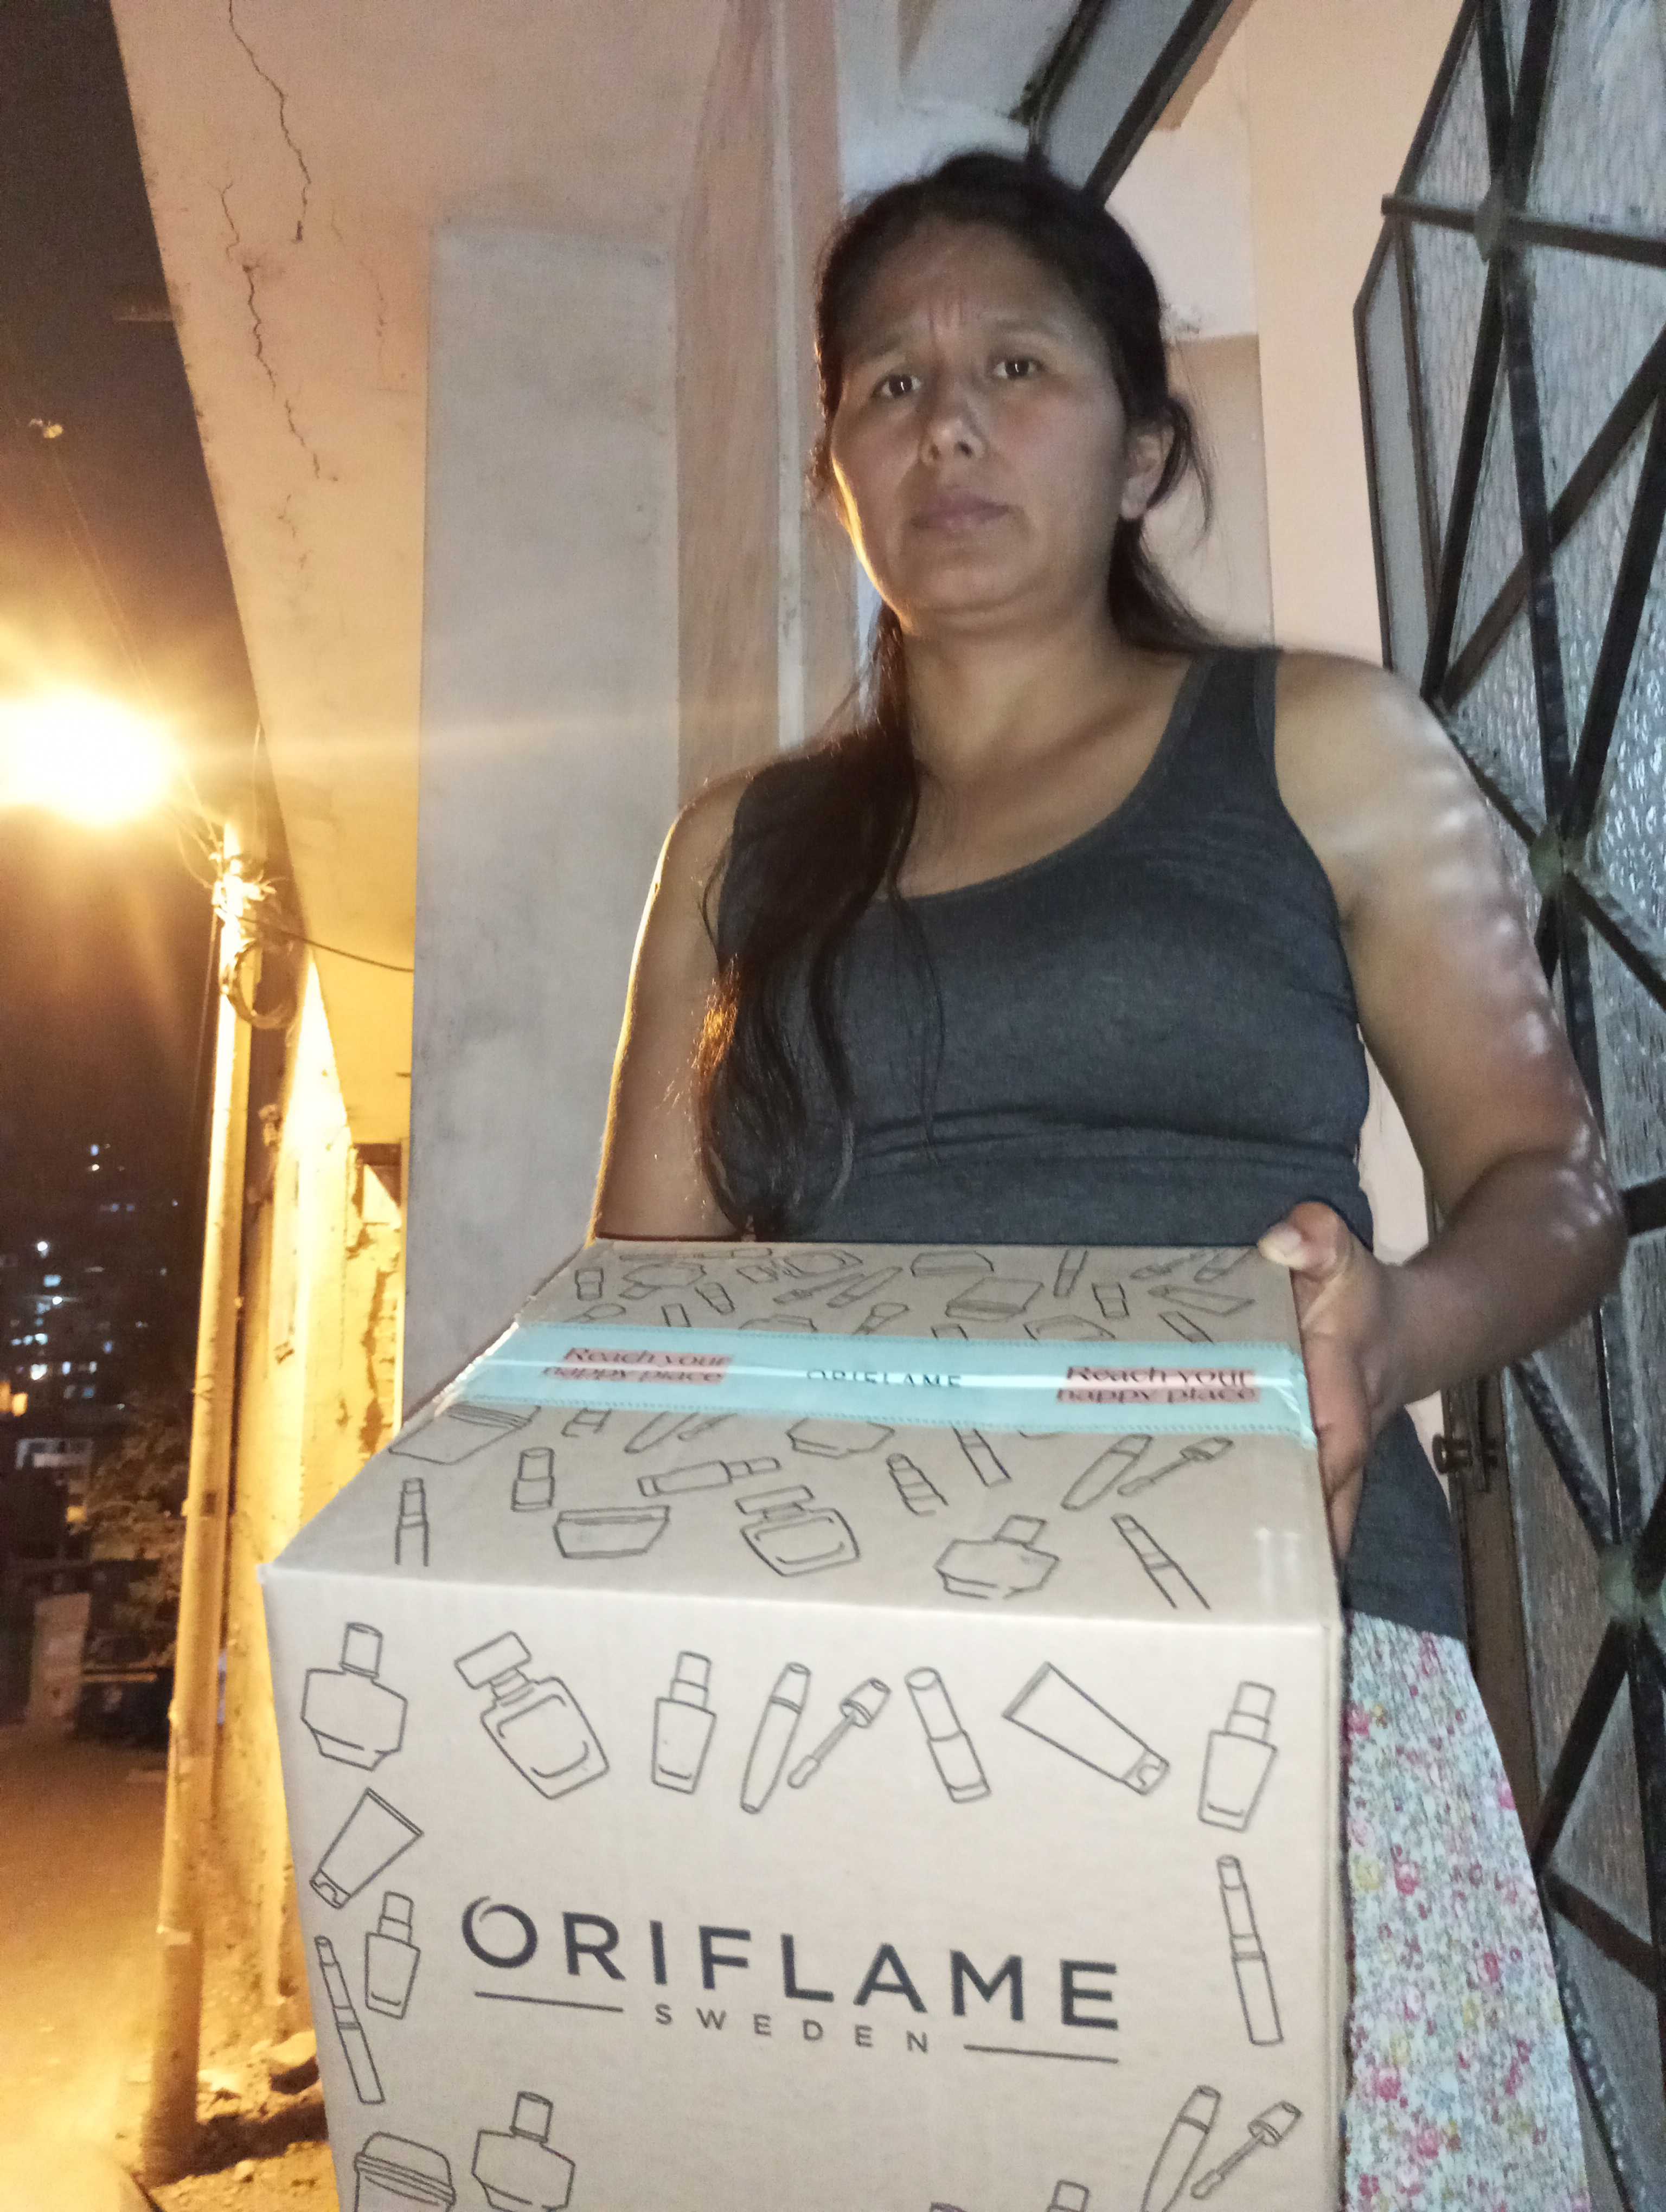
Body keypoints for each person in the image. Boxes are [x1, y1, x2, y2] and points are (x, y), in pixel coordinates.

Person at [591, 150, 1620, 2207]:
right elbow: (636, 1315)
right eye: (890, 386)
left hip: (1279, 1655)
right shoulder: (734, 852)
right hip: (842, 1701)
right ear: (835, 469)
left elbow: (1554, 1183)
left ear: (1145, 446)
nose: (948, 426)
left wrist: (1394, 1330)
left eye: (1018, 368)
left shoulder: (1317, 742)